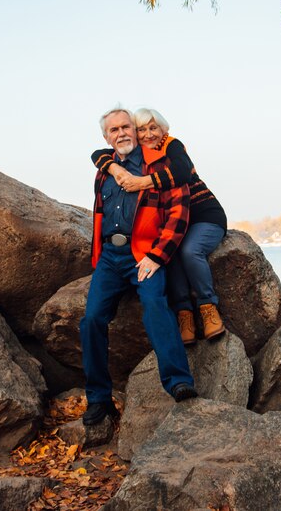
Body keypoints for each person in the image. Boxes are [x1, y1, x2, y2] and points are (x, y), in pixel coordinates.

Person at [81, 107, 197, 426]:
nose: (121, 133)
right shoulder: (105, 169)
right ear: (106, 137)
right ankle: (99, 400)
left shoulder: (158, 163)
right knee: (91, 319)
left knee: (156, 305)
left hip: (144, 254)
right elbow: (100, 213)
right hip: (109, 257)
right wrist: (97, 256)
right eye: (114, 130)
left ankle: (178, 382)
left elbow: (178, 213)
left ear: (135, 129)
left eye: (126, 127)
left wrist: (157, 255)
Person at [91, 108, 228, 346]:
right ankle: (184, 313)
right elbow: (98, 154)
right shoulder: (141, 158)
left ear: (163, 129)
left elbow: (182, 172)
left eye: (153, 128)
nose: (148, 134)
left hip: (203, 214)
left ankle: (208, 307)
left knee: (188, 251)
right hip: (179, 224)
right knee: (169, 255)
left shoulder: (172, 147)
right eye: (141, 129)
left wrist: (142, 182)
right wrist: (114, 167)